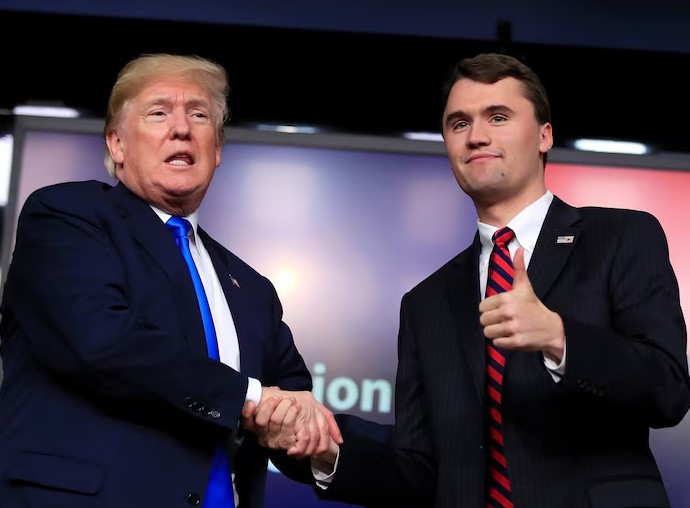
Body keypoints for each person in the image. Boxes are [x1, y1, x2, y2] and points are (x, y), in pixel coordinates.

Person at [243, 52, 690, 507]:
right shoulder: (426, 302)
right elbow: (418, 467)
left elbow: (669, 389)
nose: (476, 136)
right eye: (459, 123)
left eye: (498, 117)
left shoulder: (620, 236)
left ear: (544, 135)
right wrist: (328, 451)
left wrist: (560, 338)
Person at [0, 53, 341, 508]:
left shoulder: (252, 288)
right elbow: (103, 341)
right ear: (117, 144)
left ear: (217, 150)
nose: (181, 128)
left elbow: (294, 403)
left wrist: (318, 437)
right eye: (158, 113)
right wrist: (249, 397)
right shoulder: (67, 217)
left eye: (199, 115)